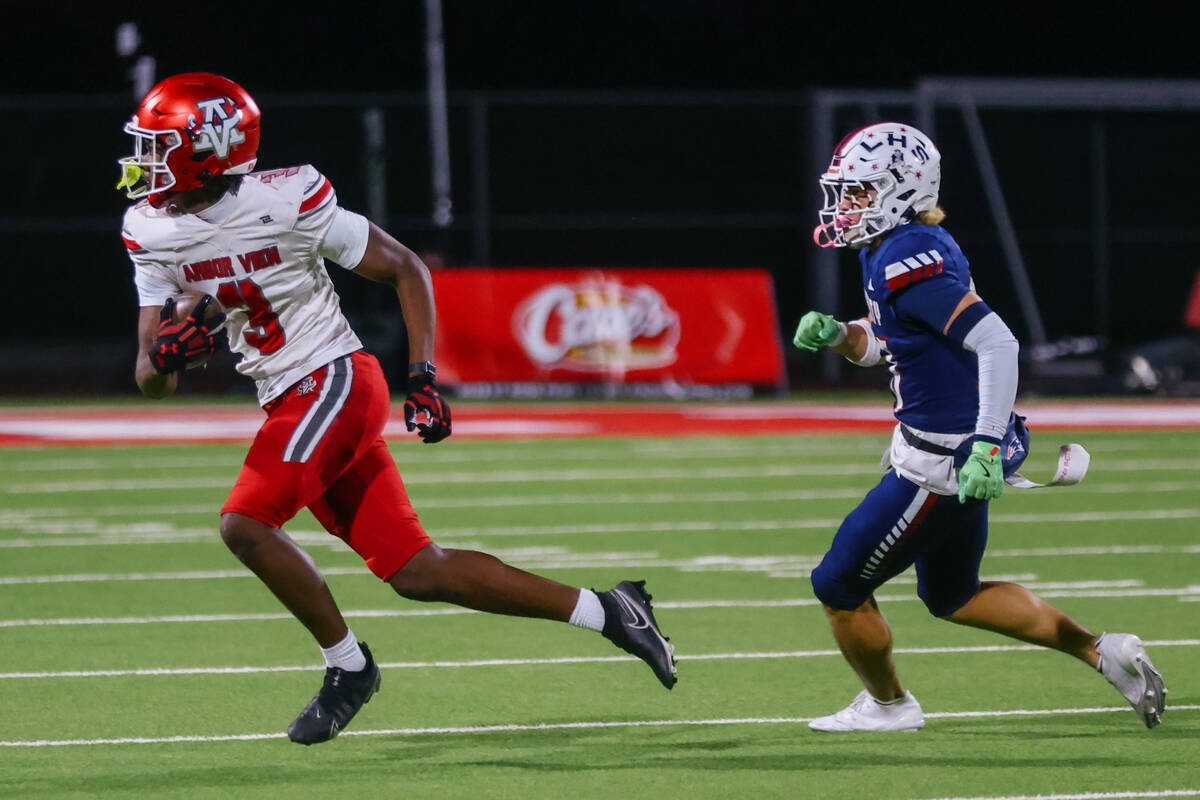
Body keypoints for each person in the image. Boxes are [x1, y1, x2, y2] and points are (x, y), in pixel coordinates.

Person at [117, 73, 676, 745]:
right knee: (418, 571)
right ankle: (609, 611)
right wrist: (168, 360)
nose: (144, 162)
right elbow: (149, 375)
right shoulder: (149, 228)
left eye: (159, 145)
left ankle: (348, 668)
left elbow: (406, 268)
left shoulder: (287, 197)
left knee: (244, 523)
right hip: (286, 398)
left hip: (333, 379)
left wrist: (423, 376)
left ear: (209, 146)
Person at [794, 121, 1166, 732]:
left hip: (944, 461)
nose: (846, 205)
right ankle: (1105, 652)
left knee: (836, 583)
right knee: (953, 595)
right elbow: (891, 344)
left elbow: (998, 343)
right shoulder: (895, 249)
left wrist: (984, 446)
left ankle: (890, 706)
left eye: (860, 192)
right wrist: (840, 335)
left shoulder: (906, 261)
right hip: (954, 450)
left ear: (901, 189)